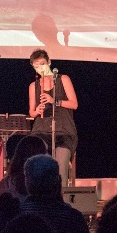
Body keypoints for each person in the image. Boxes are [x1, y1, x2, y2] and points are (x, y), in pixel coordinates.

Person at [27, 49, 78, 183]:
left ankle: (60, 195)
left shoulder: (63, 79)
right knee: (39, 166)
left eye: (42, 64)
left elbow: (74, 104)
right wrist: (37, 110)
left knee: (60, 168)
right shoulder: (33, 86)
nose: (40, 69)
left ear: (49, 62)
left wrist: (54, 101)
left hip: (64, 131)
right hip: (41, 131)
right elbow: (31, 112)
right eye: (36, 66)